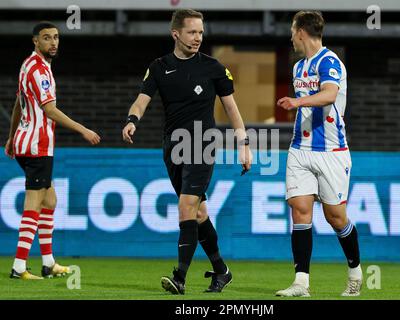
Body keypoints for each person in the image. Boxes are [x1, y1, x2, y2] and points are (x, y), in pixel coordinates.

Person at [122, 9, 252, 295]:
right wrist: (132, 120)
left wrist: (244, 145)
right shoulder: (158, 67)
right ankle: (222, 271)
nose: (198, 38)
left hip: (202, 144)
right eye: (192, 32)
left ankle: (179, 277)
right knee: (199, 213)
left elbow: (231, 108)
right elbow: (141, 101)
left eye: (201, 32)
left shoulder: (214, 67)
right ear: (176, 33)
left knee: (186, 207)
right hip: (173, 147)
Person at [4, 21, 101, 280]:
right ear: (35, 41)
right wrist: (83, 129)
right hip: (37, 146)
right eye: (47, 38)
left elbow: (18, 103)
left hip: (28, 143)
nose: (53, 42)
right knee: (34, 205)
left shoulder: (30, 64)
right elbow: (49, 110)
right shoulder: (39, 71)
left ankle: (48, 263)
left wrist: (12, 136)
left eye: (56, 37)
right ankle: (19, 267)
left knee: (50, 201)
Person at [275, 11, 362, 297]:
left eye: (291, 31)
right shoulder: (299, 67)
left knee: (335, 217)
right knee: (299, 211)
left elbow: (328, 94)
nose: (290, 37)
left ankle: (355, 271)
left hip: (332, 151)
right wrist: (298, 104)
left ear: (301, 31)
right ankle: (301, 283)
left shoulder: (330, 62)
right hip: (300, 149)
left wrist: (296, 101)